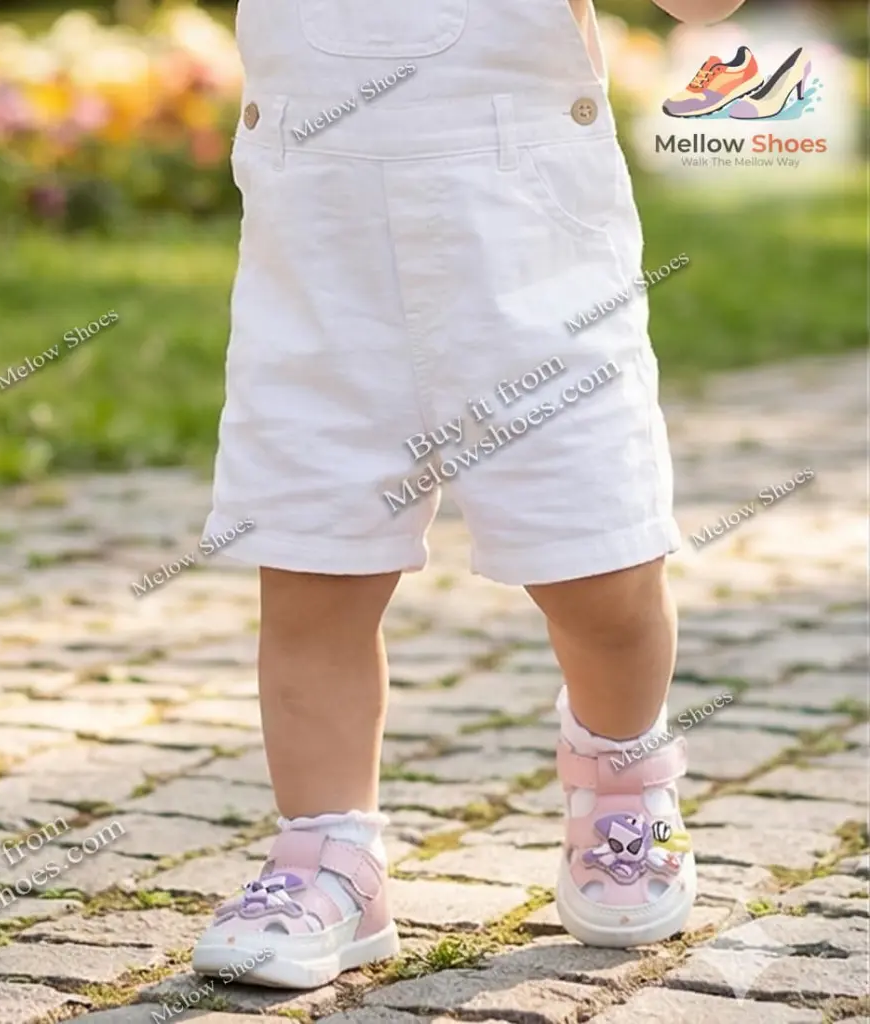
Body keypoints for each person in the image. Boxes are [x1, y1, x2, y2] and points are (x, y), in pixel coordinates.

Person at [193, 0, 747, 989]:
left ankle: (621, 775)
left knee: (598, 563)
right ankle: (330, 854)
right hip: (319, 264)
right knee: (314, 568)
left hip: (530, 247)